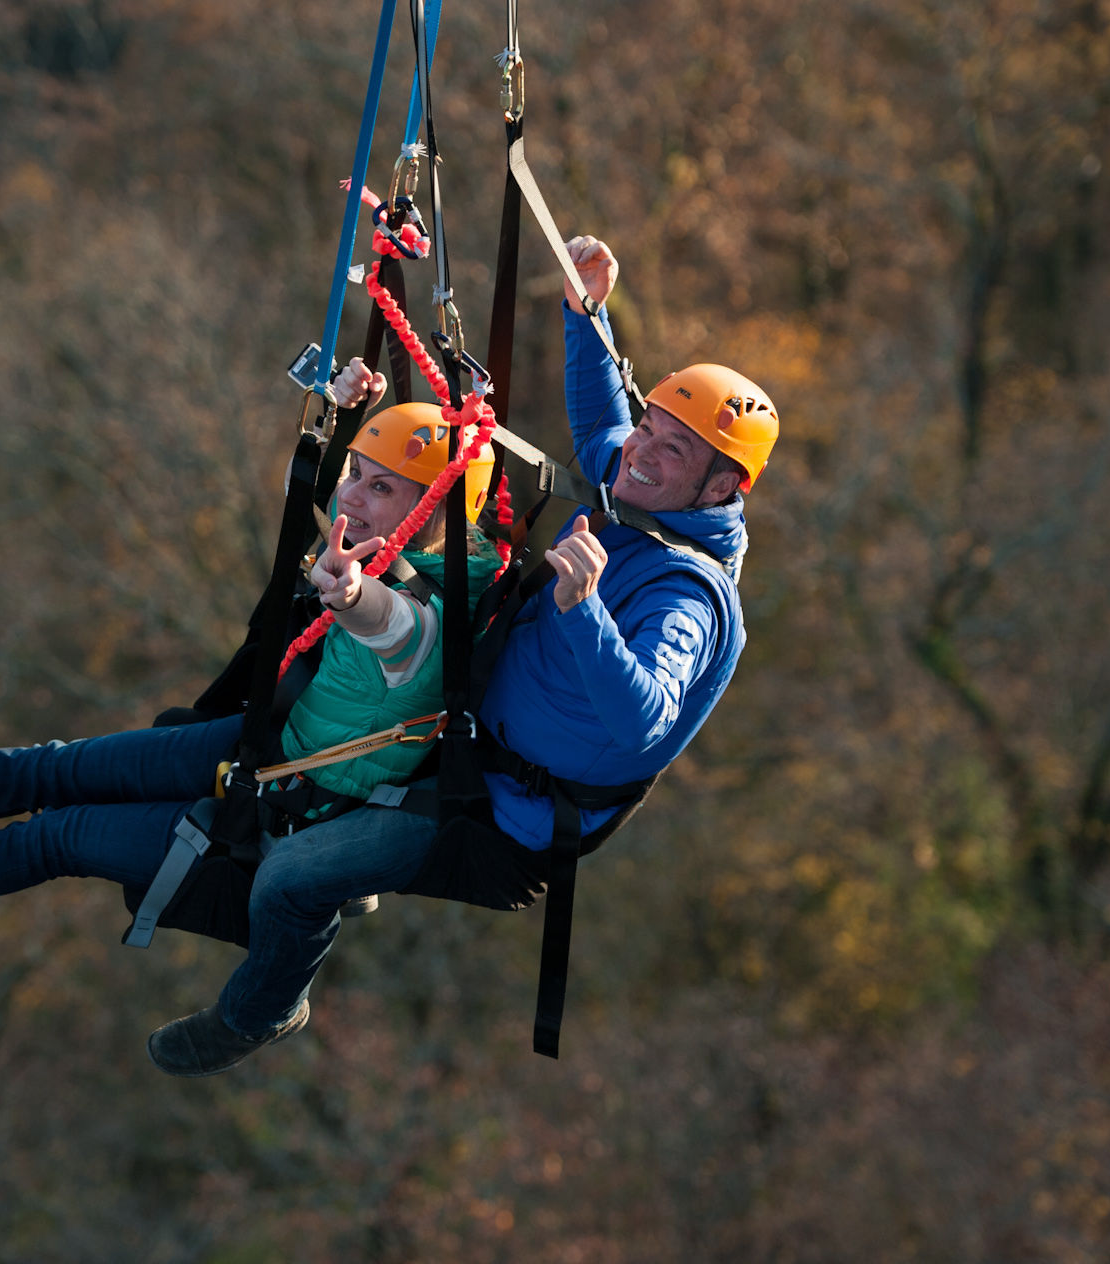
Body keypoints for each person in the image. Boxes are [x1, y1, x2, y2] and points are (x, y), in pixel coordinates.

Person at [102, 232, 776, 1071]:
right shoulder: (642, 490)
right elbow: (606, 425)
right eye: (650, 428)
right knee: (235, 750)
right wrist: (586, 316)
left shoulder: (688, 597)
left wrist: (583, 611)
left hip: (503, 821)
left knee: (291, 881)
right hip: (452, 741)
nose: (637, 451)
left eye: (670, 449)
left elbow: (645, 722)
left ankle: (257, 1013)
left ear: (722, 489)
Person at [0, 358, 499, 1076]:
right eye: (355, 478)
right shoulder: (378, 550)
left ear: (434, 512)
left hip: (284, 811)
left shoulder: (427, 620)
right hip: (264, 745)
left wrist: (352, 594)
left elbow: (390, 626)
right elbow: (349, 540)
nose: (353, 498)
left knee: (53, 836)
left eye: (381, 489)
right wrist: (345, 424)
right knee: (49, 765)